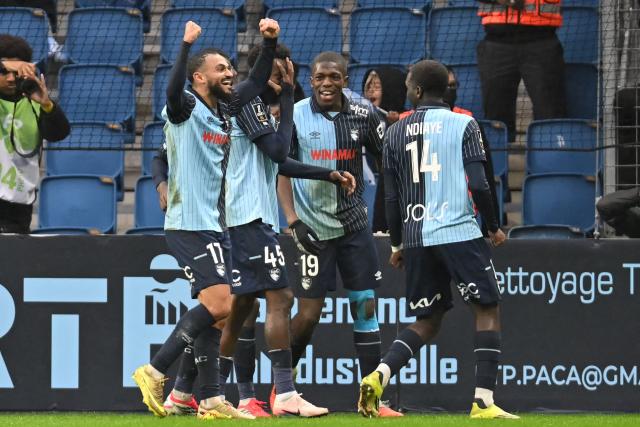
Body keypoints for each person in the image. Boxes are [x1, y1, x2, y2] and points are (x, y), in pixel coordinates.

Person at [152, 44, 354, 418]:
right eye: (279, 74)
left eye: (286, 74)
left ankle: (195, 392)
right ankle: (283, 391)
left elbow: (276, 163)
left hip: (241, 219)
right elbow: (279, 153)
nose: (283, 79)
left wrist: (327, 173)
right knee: (280, 298)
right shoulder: (246, 105)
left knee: (233, 310)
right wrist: (292, 96)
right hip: (245, 218)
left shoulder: (237, 108)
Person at [132, 18, 281, 420]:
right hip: (189, 223)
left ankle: (212, 398)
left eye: (230, 67)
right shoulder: (185, 109)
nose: (230, 73)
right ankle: (153, 370)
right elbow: (170, 88)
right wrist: (183, 45)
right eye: (221, 68)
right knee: (221, 304)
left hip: (215, 224)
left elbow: (255, 84)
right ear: (199, 78)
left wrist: (269, 44)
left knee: (221, 313)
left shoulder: (224, 111)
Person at [357, 60, 517, 420]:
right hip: (458, 231)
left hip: (416, 238)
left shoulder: (394, 133)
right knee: (487, 308)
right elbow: (479, 182)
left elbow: (392, 196)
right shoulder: (465, 124)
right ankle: (483, 402)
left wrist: (397, 243)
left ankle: (378, 374)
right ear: (445, 90)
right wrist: (492, 225)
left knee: (427, 321)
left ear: (415, 91)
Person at [277, 51, 402, 417]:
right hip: (312, 228)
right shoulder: (294, 114)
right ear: (311, 80)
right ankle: (284, 389)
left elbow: (387, 165)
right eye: (320, 77)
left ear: (345, 80)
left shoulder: (365, 115)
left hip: (354, 227)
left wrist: (391, 215)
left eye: (334, 77)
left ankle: (371, 400)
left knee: (365, 306)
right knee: (310, 313)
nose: (326, 83)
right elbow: (280, 170)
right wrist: (292, 219)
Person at [0, 34, 70, 234]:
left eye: (16, 72)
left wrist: (47, 104)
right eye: (4, 72)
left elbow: (59, 133)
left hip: (19, 203)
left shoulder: (36, 102)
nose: (11, 78)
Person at [476, 0, 566, 142]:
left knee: (549, 112)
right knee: (496, 114)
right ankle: (498, 162)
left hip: (543, 41)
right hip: (497, 42)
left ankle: (548, 159)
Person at [362, 66, 408, 233]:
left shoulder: (409, 119)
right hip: (383, 190)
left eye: (377, 86)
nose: (371, 90)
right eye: (368, 86)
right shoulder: (362, 120)